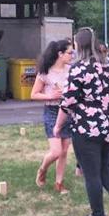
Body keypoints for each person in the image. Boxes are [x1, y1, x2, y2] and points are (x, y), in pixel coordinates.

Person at [54, 27, 109, 216]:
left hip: (88, 128)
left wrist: (57, 126)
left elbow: (68, 102)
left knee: (91, 173)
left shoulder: (78, 69)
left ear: (79, 46)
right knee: (103, 167)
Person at [31, 39, 74, 194]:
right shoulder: (45, 72)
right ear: (60, 54)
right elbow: (34, 94)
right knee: (55, 151)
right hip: (51, 112)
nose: (72, 56)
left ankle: (59, 183)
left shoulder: (71, 70)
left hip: (68, 111)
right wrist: (51, 95)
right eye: (69, 53)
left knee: (64, 151)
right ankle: (43, 169)